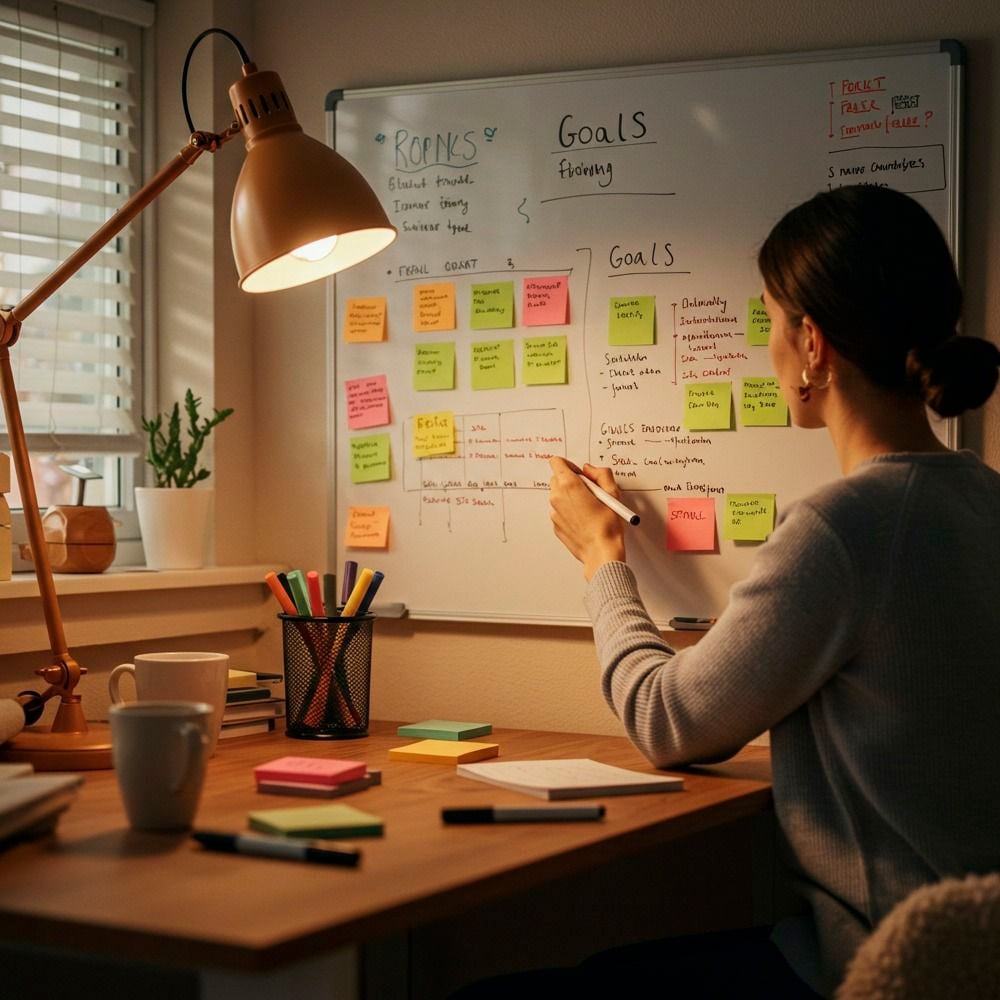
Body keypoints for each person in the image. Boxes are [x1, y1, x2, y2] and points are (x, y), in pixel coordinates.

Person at [541, 185, 1000, 998]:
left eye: (770, 324)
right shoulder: (983, 499)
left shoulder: (843, 529)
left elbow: (665, 719)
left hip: (877, 971)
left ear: (813, 343)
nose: (769, 352)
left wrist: (601, 556)